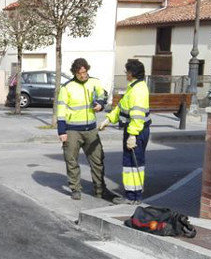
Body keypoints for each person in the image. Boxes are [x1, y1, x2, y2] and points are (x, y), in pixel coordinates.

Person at [56, 58, 109, 200]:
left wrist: (101, 104)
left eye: (85, 72)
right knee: (71, 160)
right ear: (75, 72)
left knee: (97, 160)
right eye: (80, 73)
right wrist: (62, 131)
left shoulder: (94, 82)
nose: (83, 75)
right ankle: (75, 189)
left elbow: (103, 94)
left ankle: (99, 189)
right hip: (72, 130)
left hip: (91, 129)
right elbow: (61, 110)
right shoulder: (66, 87)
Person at [99, 59, 151, 205]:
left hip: (136, 132)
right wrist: (108, 120)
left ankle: (135, 196)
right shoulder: (133, 87)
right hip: (134, 130)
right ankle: (131, 195)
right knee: (130, 164)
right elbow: (121, 107)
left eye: (126, 71)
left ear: (131, 73)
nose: (125, 74)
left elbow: (138, 115)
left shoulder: (138, 90)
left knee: (135, 164)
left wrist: (133, 135)